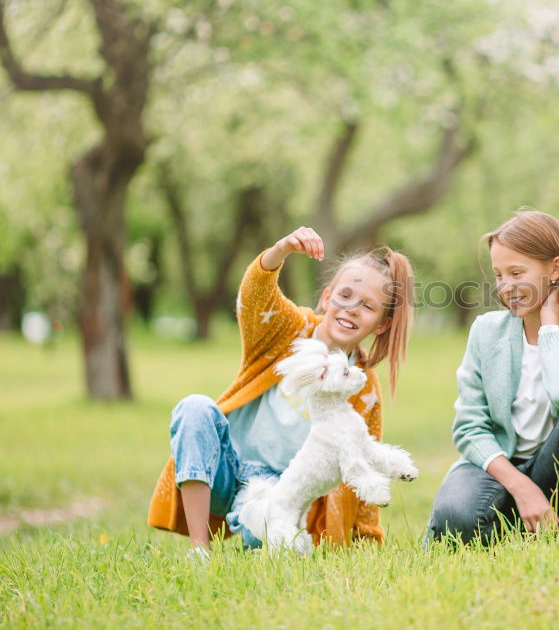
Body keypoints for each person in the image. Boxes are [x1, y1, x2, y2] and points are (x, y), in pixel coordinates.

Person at [147, 226, 414, 552]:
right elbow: (255, 296)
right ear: (327, 297)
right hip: (227, 466)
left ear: (382, 324)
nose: (352, 309)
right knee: (195, 408)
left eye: (368, 307)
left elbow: (363, 455)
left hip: (283, 487)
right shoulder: (289, 330)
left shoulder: (362, 387)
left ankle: (258, 530)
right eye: (345, 296)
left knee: (270, 537)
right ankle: (200, 551)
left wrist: (366, 538)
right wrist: (281, 250)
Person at [426, 210, 559, 544]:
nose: (506, 287)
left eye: (516, 272)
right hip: (497, 467)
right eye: (499, 275)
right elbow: (469, 427)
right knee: (455, 517)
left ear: (555, 269)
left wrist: (551, 327)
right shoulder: (486, 332)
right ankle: (519, 526)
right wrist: (522, 489)